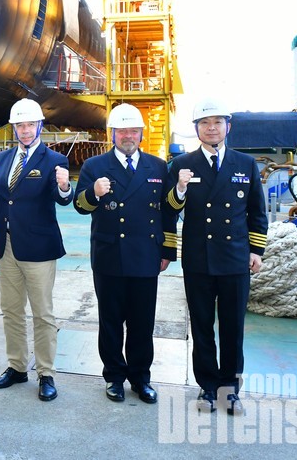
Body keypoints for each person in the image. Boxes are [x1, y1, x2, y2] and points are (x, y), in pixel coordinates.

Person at [73, 103, 183, 405]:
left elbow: (169, 212)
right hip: (109, 256)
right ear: (112, 134)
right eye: (121, 130)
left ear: (141, 134)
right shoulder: (95, 167)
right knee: (110, 322)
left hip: (146, 256)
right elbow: (80, 207)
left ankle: (140, 378)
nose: (128, 135)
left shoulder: (158, 167)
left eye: (133, 130)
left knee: (142, 322)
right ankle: (114, 378)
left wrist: (167, 250)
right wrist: (94, 192)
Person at [167, 97, 267, 415]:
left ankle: (230, 390)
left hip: (235, 259)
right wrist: (180, 190)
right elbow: (169, 209)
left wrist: (256, 250)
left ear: (228, 127)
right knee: (202, 326)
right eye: (205, 123)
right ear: (196, 129)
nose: (212, 128)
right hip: (198, 258)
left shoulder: (245, 165)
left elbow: (257, 212)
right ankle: (207, 387)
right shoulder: (182, 164)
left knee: (232, 327)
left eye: (217, 123)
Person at [0, 98, 71, 402]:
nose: (24, 130)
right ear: (14, 128)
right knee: (10, 310)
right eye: (19, 125)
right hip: (6, 246)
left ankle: (46, 373)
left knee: (42, 313)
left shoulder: (54, 161)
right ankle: (17, 366)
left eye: (29, 125)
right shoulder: (3, 158)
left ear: (39, 127)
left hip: (38, 248)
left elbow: (62, 199)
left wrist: (64, 187)